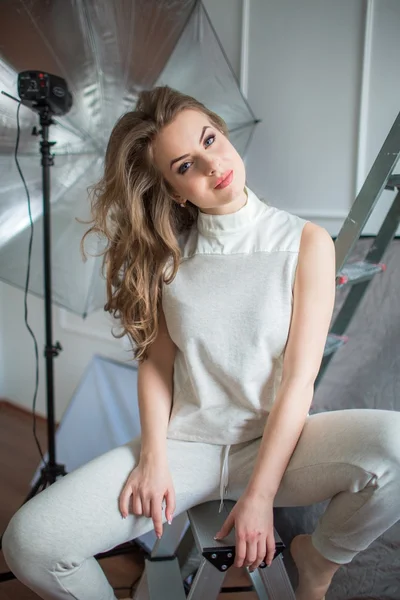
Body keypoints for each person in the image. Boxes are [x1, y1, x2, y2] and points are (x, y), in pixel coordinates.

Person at [2, 85, 400, 600]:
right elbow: (156, 364)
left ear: (223, 131)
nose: (213, 165)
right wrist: (153, 456)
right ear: (172, 189)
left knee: (395, 444)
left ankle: (319, 561)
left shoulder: (305, 243)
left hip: (281, 446)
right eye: (187, 165)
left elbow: (300, 380)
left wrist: (261, 495)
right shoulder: (168, 260)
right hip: (186, 446)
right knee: (30, 541)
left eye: (210, 139)